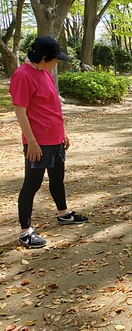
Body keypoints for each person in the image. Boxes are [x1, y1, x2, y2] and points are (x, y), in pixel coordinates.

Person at [9, 36, 89, 249]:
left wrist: (62, 132)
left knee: (57, 178)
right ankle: (25, 231)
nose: (57, 63)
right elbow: (20, 111)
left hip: (54, 138)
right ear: (44, 58)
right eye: (55, 59)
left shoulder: (44, 73)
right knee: (32, 184)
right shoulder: (23, 76)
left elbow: (51, 107)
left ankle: (63, 214)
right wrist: (32, 142)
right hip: (38, 142)